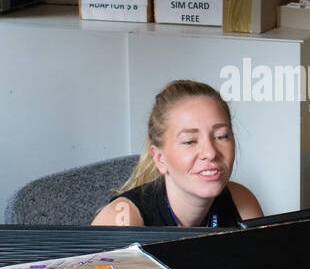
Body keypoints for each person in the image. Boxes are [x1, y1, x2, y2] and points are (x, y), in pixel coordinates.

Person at [92, 79, 264, 227]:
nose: (210, 153)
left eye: (221, 136)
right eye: (190, 141)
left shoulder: (241, 201)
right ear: (160, 159)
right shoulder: (122, 220)